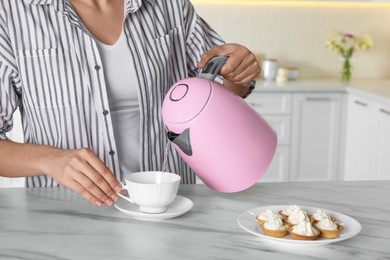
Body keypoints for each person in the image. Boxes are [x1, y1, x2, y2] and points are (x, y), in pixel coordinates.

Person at [0, 0, 260, 207]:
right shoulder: (10, 15)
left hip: (169, 206)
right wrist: (49, 160)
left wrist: (240, 70)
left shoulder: (170, 6)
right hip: (66, 214)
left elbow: (222, 90)